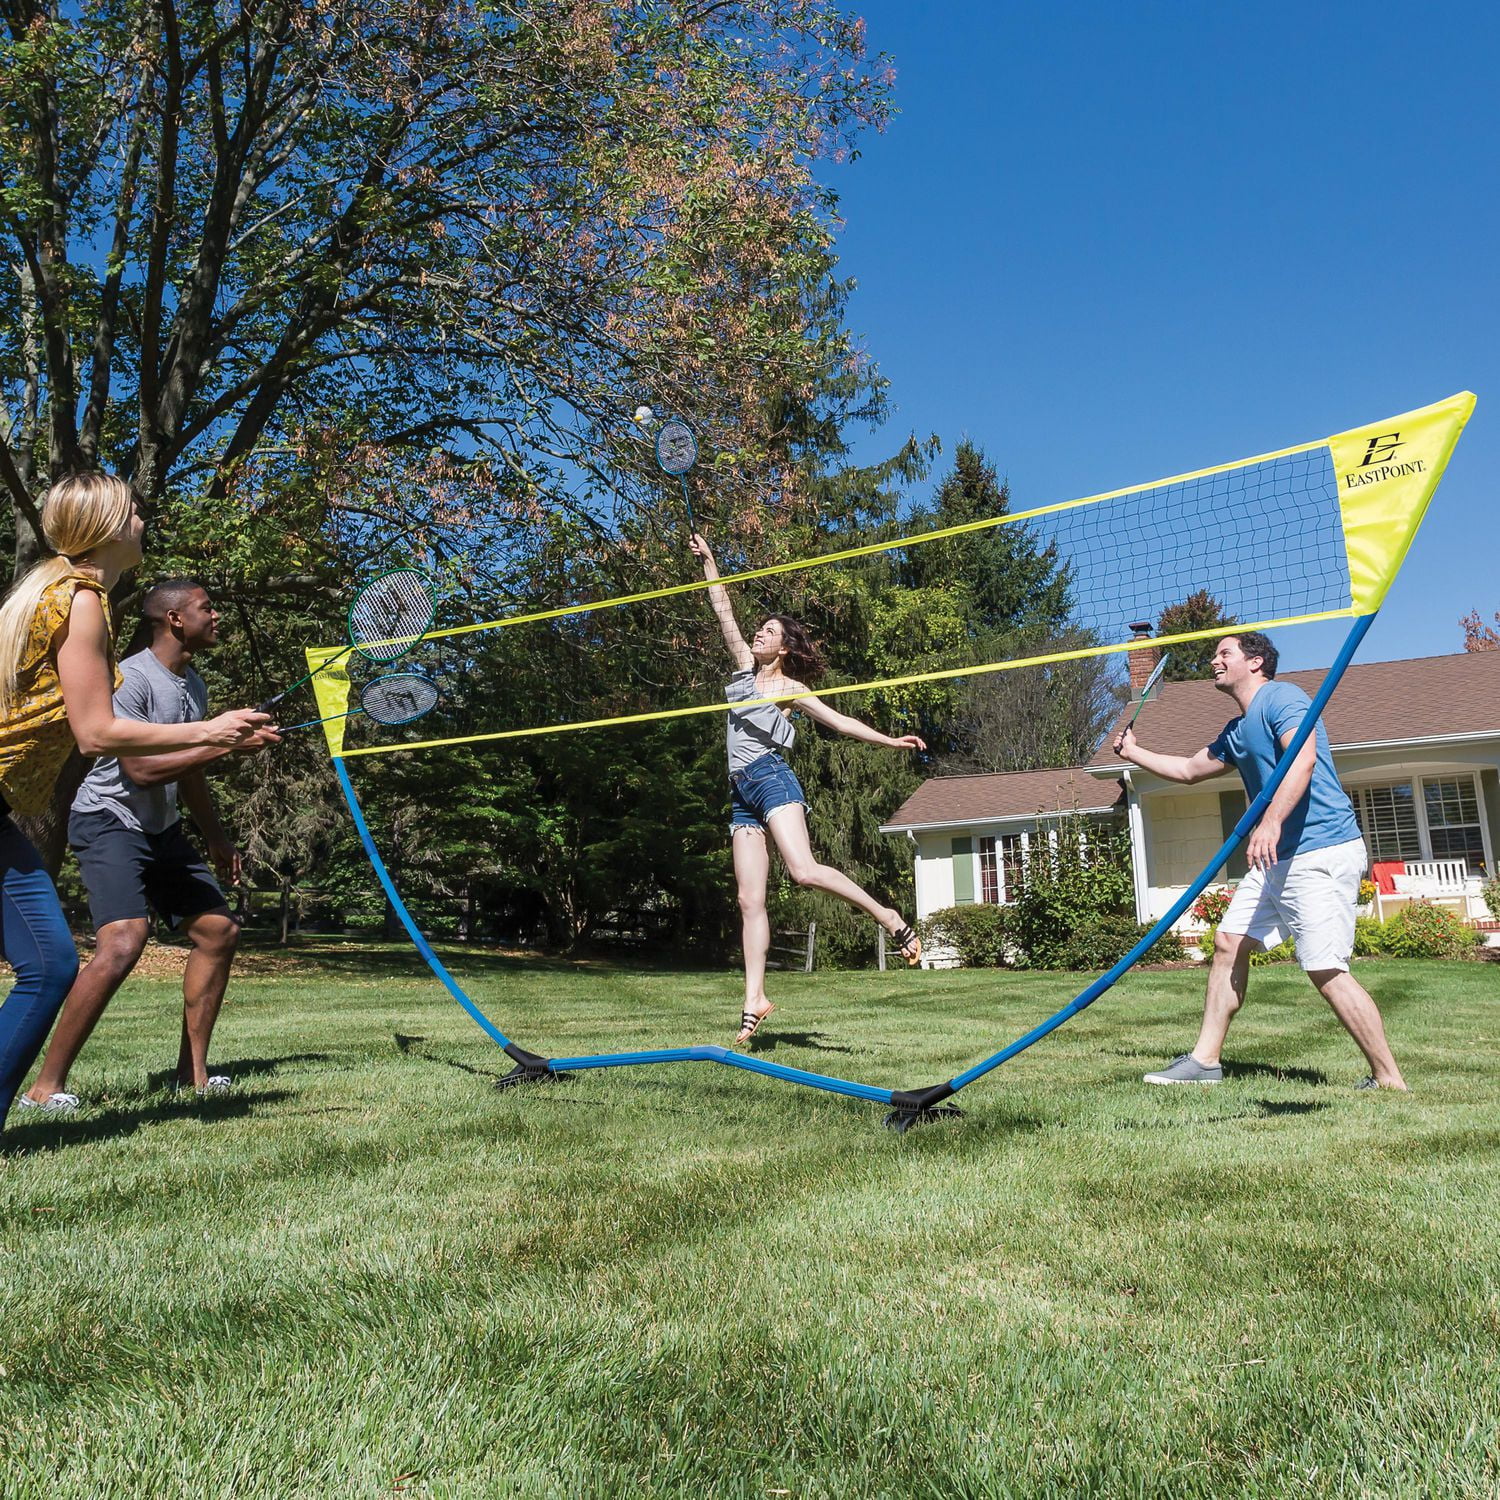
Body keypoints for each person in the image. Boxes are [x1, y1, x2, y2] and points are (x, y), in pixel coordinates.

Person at [0, 474, 268, 1127]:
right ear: (109, 527)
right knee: (52, 963)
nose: (144, 522)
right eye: (135, 514)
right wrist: (211, 732)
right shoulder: (81, 599)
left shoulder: (62, 592)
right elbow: (97, 734)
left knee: (48, 963)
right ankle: (39, 1087)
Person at [1113, 631, 1406, 1090]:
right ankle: (1205, 1061)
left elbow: (1302, 758)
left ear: (1255, 662)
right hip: (1277, 860)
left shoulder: (1281, 697)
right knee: (1229, 942)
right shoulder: (1237, 730)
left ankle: (1388, 1077)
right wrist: (1134, 753)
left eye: (1223, 653)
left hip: (1320, 849)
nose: (1214, 660)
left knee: (1324, 967)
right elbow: (1190, 770)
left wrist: (1269, 822)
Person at [689, 532, 926, 1044]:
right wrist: (711, 561)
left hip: (773, 780)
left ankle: (888, 916)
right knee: (749, 899)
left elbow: (840, 723)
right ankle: (755, 999)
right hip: (740, 791)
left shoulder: (791, 689)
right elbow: (723, 611)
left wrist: (890, 741)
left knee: (803, 870)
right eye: (760, 628)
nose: (758, 633)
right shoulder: (741, 672)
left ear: (785, 646)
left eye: (769, 631)